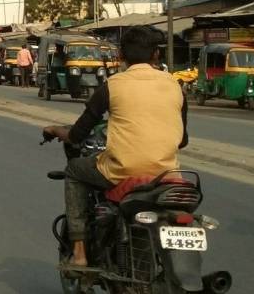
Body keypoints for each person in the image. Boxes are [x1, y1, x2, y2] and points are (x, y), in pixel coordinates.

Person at [43, 26, 188, 268]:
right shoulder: (175, 85)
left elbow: (78, 135)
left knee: (75, 171)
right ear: (156, 55)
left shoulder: (112, 85)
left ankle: (79, 253)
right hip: (167, 174)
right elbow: (182, 140)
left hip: (122, 171)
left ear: (121, 56)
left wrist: (57, 130)